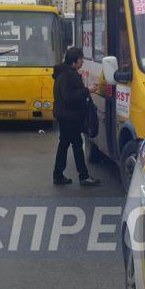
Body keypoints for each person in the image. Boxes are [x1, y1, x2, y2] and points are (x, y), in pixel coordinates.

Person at [52, 46, 101, 186]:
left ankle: (58, 175)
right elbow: (69, 97)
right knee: (77, 145)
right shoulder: (69, 75)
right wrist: (88, 90)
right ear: (74, 61)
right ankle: (83, 176)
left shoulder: (62, 72)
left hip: (64, 115)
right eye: (80, 59)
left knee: (65, 145)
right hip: (69, 117)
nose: (82, 62)